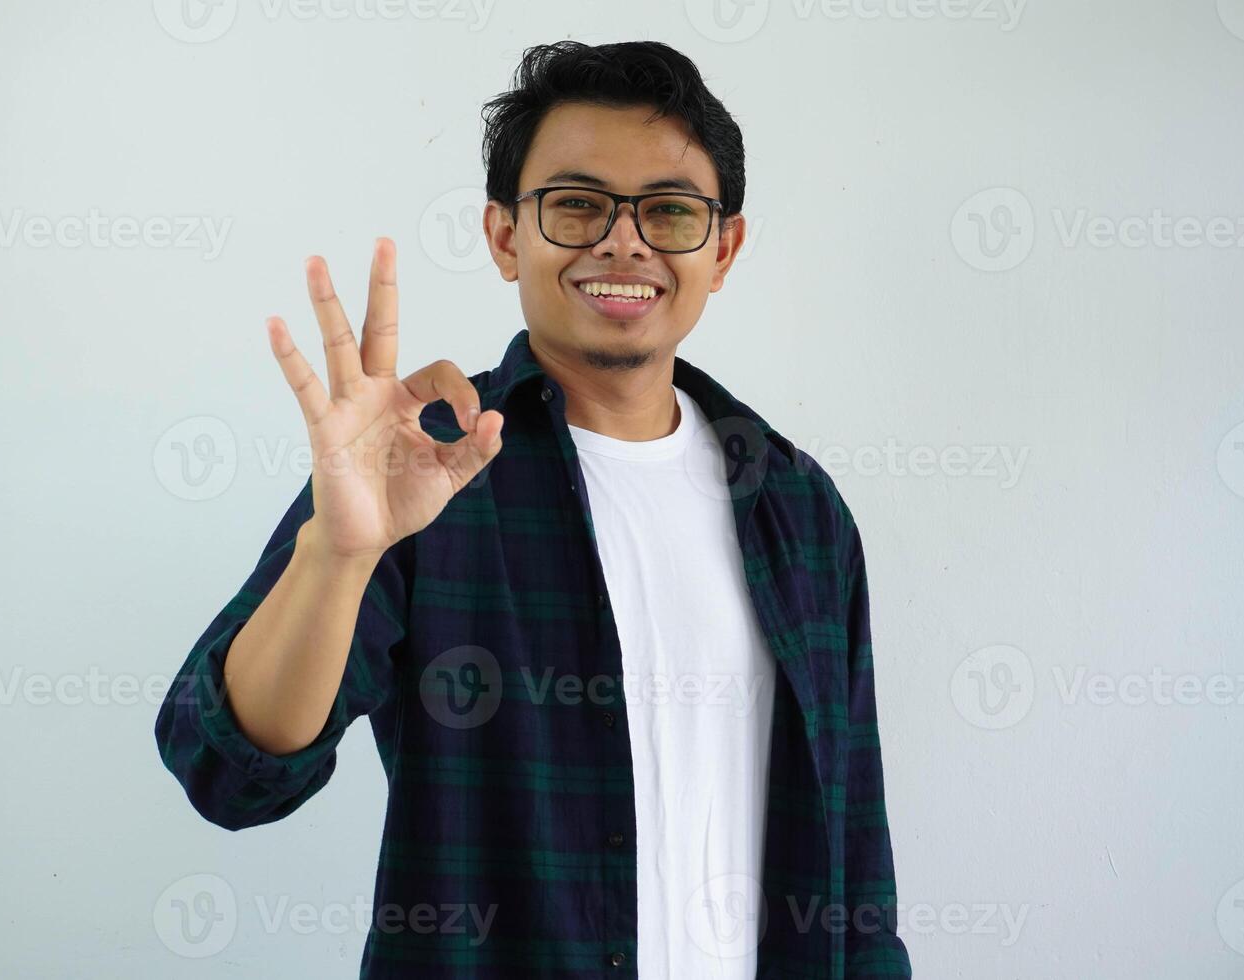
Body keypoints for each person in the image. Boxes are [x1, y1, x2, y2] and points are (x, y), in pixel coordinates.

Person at [155, 39, 911, 979]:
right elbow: (228, 774)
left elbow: (858, 872)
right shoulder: (427, 467)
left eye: (669, 212)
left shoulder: (798, 507)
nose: (622, 242)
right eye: (578, 205)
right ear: (507, 235)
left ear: (723, 248)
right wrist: (339, 554)